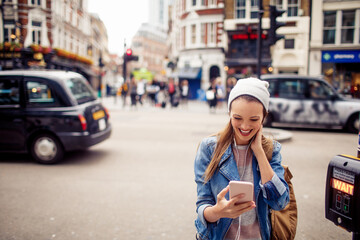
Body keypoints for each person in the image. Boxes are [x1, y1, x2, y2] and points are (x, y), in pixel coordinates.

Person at [194, 78, 290, 240]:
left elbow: (279, 203)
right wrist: (218, 211)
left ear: (263, 117)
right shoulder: (209, 148)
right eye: (237, 118)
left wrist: (259, 152)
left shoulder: (271, 150)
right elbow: (203, 204)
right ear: (229, 114)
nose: (245, 127)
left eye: (253, 120)